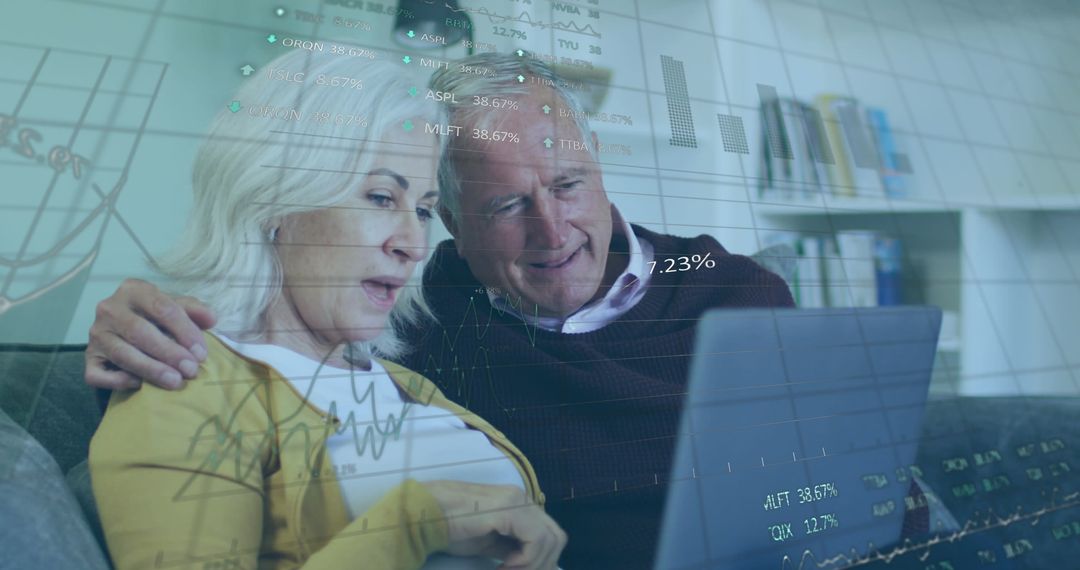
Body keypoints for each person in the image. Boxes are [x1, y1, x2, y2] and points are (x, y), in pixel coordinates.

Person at [86, 53, 794, 568]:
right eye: (507, 206)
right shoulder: (433, 318)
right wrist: (142, 327)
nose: (553, 231)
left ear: (598, 158)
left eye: (570, 184)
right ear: (460, 220)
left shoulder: (736, 294)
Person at [87, 50, 566, 570]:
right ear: (275, 200)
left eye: (423, 210)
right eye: (382, 197)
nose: (414, 243)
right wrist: (415, 523)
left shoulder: (408, 383)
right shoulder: (187, 381)